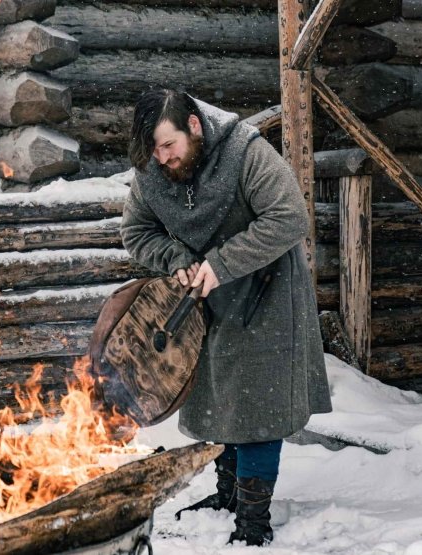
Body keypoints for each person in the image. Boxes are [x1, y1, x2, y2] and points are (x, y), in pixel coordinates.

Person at [121, 89, 332, 546]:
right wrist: (175, 257)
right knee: (216, 395)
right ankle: (227, 495)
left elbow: (290, 216)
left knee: (258, 401)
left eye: (168, 145)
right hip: (202, 301)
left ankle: (254, 518)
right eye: (154, 150)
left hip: (267, 291)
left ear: (194, 126)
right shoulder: (152, 170)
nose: (162, 159)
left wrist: (221, 263)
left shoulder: (245, 151)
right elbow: (136, 231)